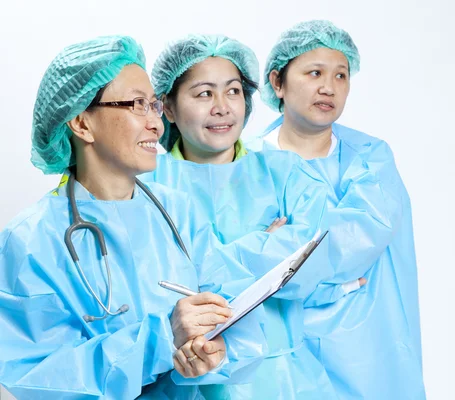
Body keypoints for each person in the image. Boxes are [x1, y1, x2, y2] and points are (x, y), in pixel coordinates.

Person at [0, 36, 266, 400]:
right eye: (137, 104)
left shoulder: (178, 211)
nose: (156, 123)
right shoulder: (31, 241)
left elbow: (232, 310)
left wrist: (215, 354)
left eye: (154, 105)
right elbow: (38, 377)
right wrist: (162, 338)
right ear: (81, 123)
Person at [140, 34, 354, 399]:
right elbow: (143, 284)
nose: (222, 107)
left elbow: (312, 266)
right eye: (204, 93)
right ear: (169, 108)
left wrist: (202, 272)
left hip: (282, 379)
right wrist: (266, 245)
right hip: (181, 376)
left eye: (234, 91)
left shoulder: (286, 173)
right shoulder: (145, 184)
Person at [246, 20, 427, 399]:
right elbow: (234, 270)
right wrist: (330, 281)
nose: (329, 87)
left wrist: (275, 252)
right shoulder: (246, 163)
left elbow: (351, 243)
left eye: (341, 76)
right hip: (275, 360)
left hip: (365, 357)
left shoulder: (369, 159)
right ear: (277, 81)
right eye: (315, 73)